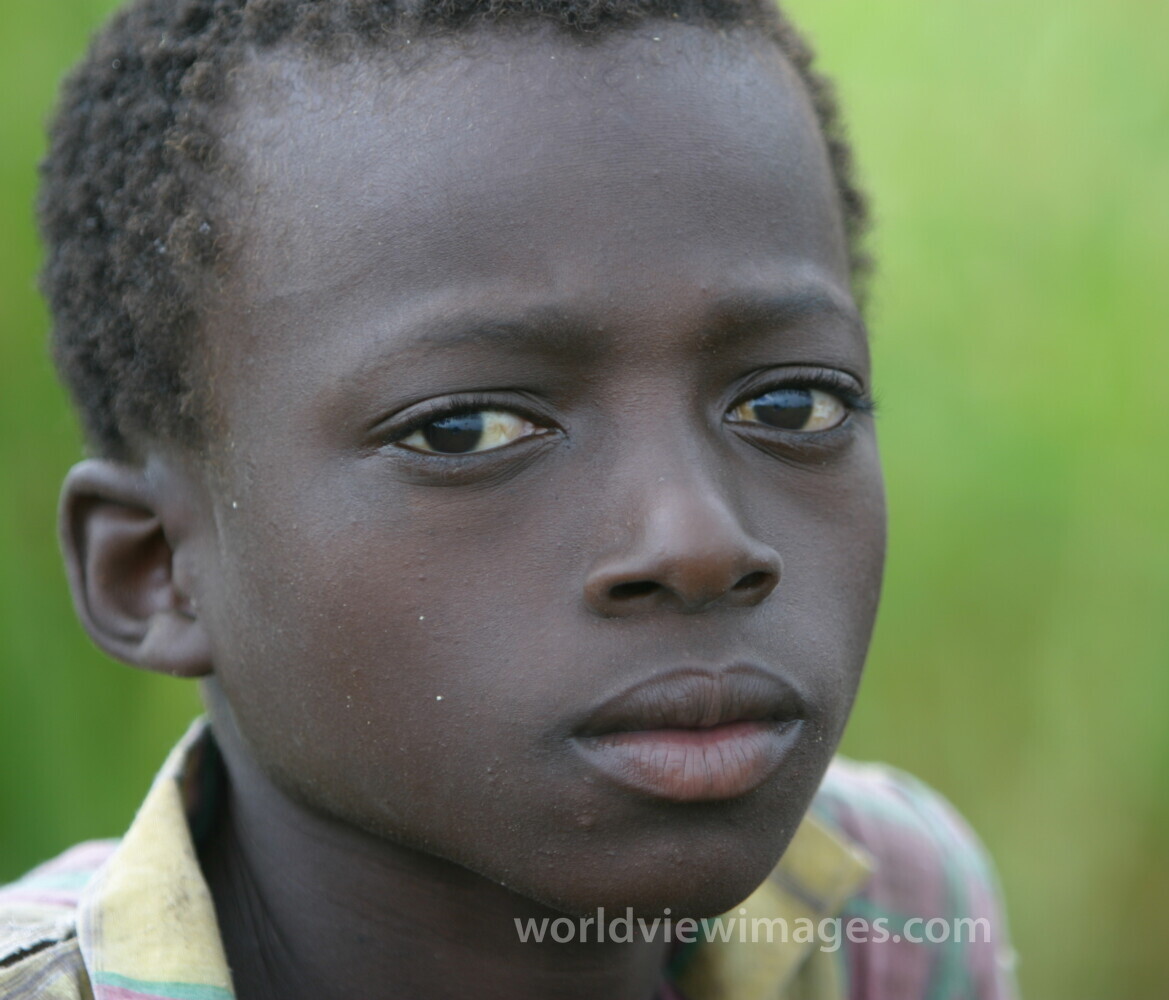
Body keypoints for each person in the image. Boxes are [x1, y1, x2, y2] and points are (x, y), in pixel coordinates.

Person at [0, 2, 1019, 998]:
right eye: (466, 430)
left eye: (792, 402)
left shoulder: (890, 914)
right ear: (156, 572)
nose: (701, 538)